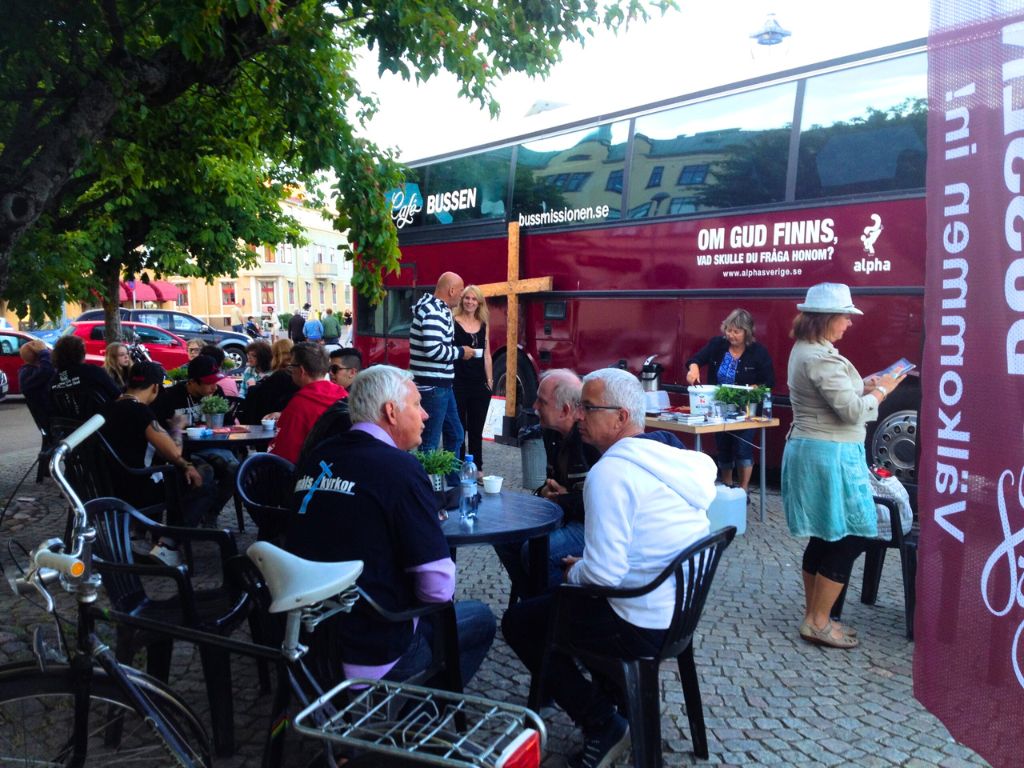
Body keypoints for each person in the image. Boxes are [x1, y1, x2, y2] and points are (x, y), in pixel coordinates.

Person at [502, 368, 717, 768]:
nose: (579, 415)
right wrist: (586, 566)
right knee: (550, 605)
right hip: (677, 612)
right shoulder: (675, 460)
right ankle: (618, 697)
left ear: (621, 417)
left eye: (588, 407)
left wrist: (576, 571)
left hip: (640, 619)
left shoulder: (610, 472)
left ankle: (604, 723)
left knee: (521, 623)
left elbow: (602, 576)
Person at [285, 364, 495, 685]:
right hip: (372, 652)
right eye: (416, 405)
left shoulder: (319, 454)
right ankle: (419, 715)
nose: (425, 415)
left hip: (308, 645)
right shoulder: (400, 469)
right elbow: (438, 590)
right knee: (480, 618)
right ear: (391, 412)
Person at [783, 283, 907, 650]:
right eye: (846, 316)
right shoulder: (820, 357)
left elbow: (837, 393)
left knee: (825, 533)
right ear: (826, 319)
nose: (849, 323)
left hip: (818, 449)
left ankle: (814, 616)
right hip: (829, 453)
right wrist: (883, 390)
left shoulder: (809, 350)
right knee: (854, 533)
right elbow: (851, 410)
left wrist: (867, 383)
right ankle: (819, 621)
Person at [99, 362, 216, 566]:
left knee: (186, 472)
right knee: (204, 478)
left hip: (107, 484)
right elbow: (173, 451)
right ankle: (168, 545)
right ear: (155, 387)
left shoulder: (106, 407)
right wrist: (178, 428)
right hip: (139, 487)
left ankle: (143, 534)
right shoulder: (140, 411)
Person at [496, 369, 599, 593]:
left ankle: (554, 614)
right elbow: (550, 485)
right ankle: (532, 602)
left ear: (565, 410)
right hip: (565, 514)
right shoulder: (551, 433)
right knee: (503, 535)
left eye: (542, 401)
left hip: (590, 525)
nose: (534, 407)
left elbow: (602, 505)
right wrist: (545, 492)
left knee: (536, 551)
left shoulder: (590, 440)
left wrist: (563, 500)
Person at [685, 308, 775, 493]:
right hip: (719, 407)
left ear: (747, 332)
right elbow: (695, 359)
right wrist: (693, 369)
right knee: (723, 447)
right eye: (728, 330)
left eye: (736, 331)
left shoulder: (758, 352)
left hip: (746, 410)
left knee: (743, 449)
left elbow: (768, 381)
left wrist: (754, 388)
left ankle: (742, 491)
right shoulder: (717, 345)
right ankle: (727, 487)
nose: (731, 335)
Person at [409, 272, 475, 482]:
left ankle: (454, 483)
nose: (462, 297)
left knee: (455, 433)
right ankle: (425, 489)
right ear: (451, 290)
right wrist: (461, 352)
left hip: (441, 385)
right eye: (461, 291)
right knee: (429, 443)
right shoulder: (434, 311)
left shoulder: (437, 309)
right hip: (433, 387)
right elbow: (434, 350)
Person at [152, 354, 237, 516]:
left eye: (215, 381)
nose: (214, 386)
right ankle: (188, 519)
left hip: (213, 447)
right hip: (184, 451)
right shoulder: (171, 397)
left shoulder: (216, 393)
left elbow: (228, 424)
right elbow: (159, 432)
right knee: (206, 473)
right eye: (208, 382)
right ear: (192, 382)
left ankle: (211, 513)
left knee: (236, 470)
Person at [269, 342, 347, 464]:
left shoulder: (299, 405)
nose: (290, 370)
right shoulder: (344, 396)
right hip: (339, 470)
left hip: (308, 473)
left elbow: (283, 453)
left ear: (301, 370)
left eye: (291, 366)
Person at [453, 285, 492, 480]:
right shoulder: (453, 322)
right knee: (459, 429)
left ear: (479, 303)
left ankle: (478, 468)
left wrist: (490, 381)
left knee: (476, 429)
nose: (470, 302)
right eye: (467, 298)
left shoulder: (483, 323)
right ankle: (461, 467)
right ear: (462, 301)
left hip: (479, 384)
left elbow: (487, 354)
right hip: (457, 382)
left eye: (474, 299)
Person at [50, 335, 121, 420]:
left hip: (72, 429)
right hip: (102, 424)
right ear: (81, 353)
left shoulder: (53, 382)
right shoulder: (93, 372)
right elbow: (117, 396)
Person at [238, 338, 298, 425]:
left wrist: (253, 387)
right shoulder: (293, 372)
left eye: (253, 356)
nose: (249, 358)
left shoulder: (278, 375)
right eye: (248, 355)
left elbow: (261, 398)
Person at [19, 339, 55, 431]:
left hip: (46, 419)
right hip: (49, 420)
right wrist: (44, 353)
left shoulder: (27, 372)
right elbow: (46, 371)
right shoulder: (28, 374)